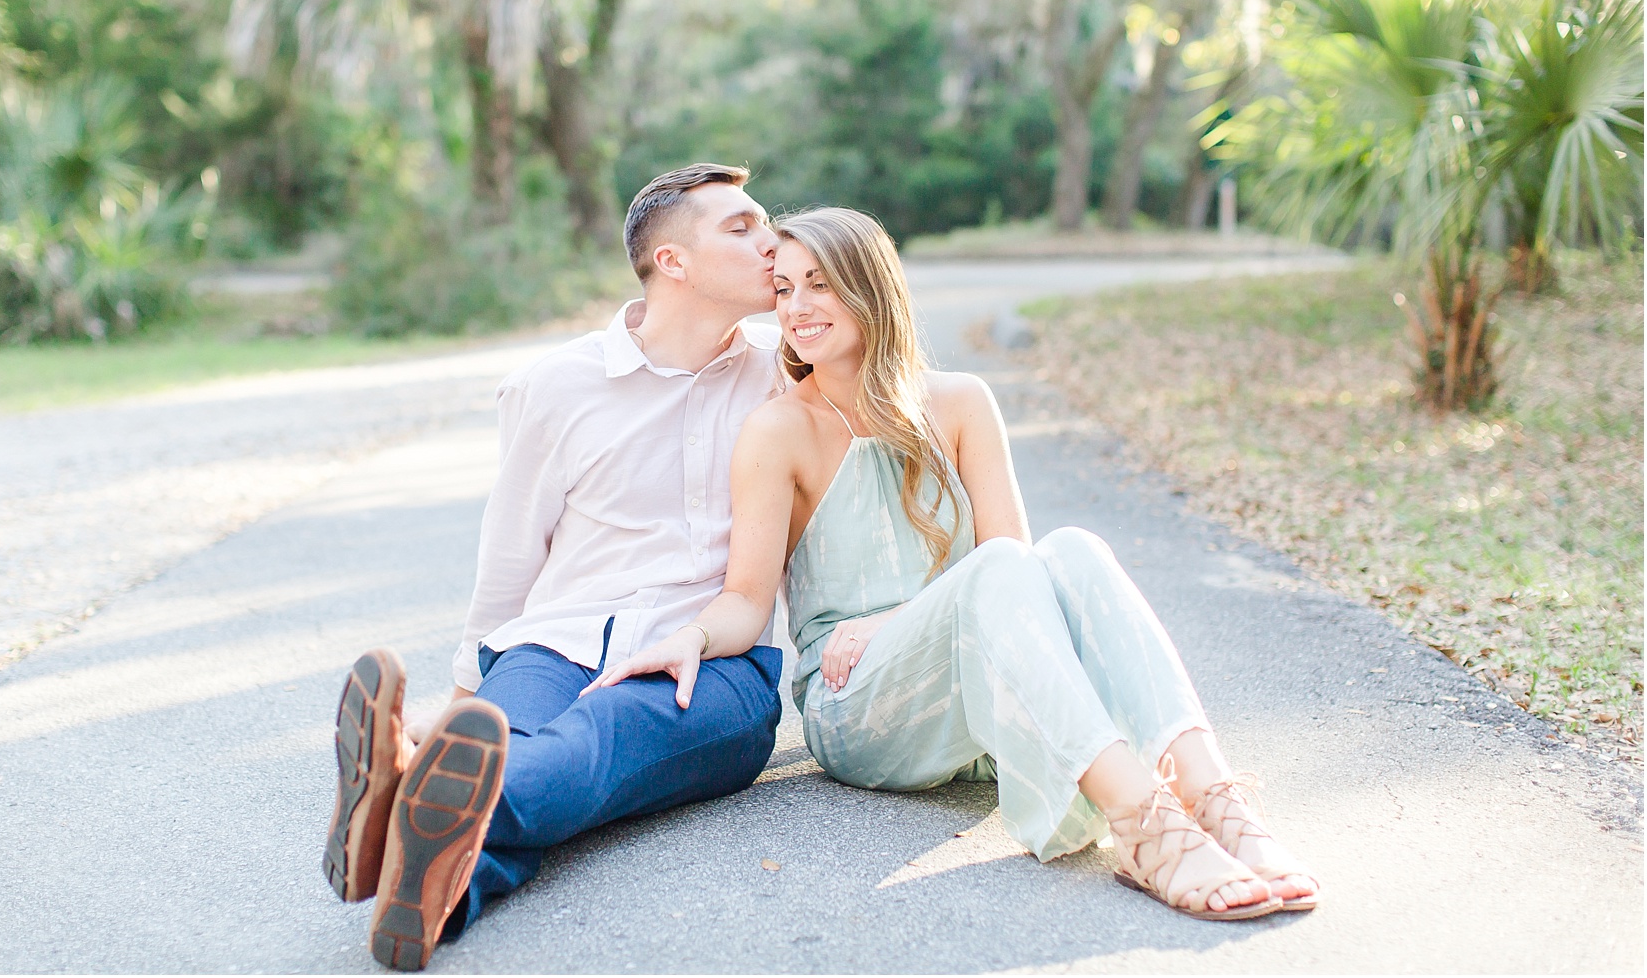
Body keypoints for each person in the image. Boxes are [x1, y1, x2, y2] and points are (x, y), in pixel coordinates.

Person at [590, 206, 1320, 922]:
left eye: (821, 284)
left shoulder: (963, 402)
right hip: (862, 705)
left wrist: (891, 621)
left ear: (872, 287)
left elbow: (1014, 568)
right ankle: (1143, 823)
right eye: (784, 289)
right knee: (1012, 565)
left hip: (978, 683)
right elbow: (747, 599)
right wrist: (692, 636)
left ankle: (1213, 795)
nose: (797, 308)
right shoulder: (779, 429)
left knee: (1072, 551)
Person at [322, 163, 790, 971]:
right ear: (673, 262)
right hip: (551, 643)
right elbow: (510, 553)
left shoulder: (787, 374)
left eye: (767, 222)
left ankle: (400, 789)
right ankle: (433, 894)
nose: (770, 240)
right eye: (741, 227)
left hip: (716, 663)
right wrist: (466, 697)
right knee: (505, 740)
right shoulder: (556, 386)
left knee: (601, 736)